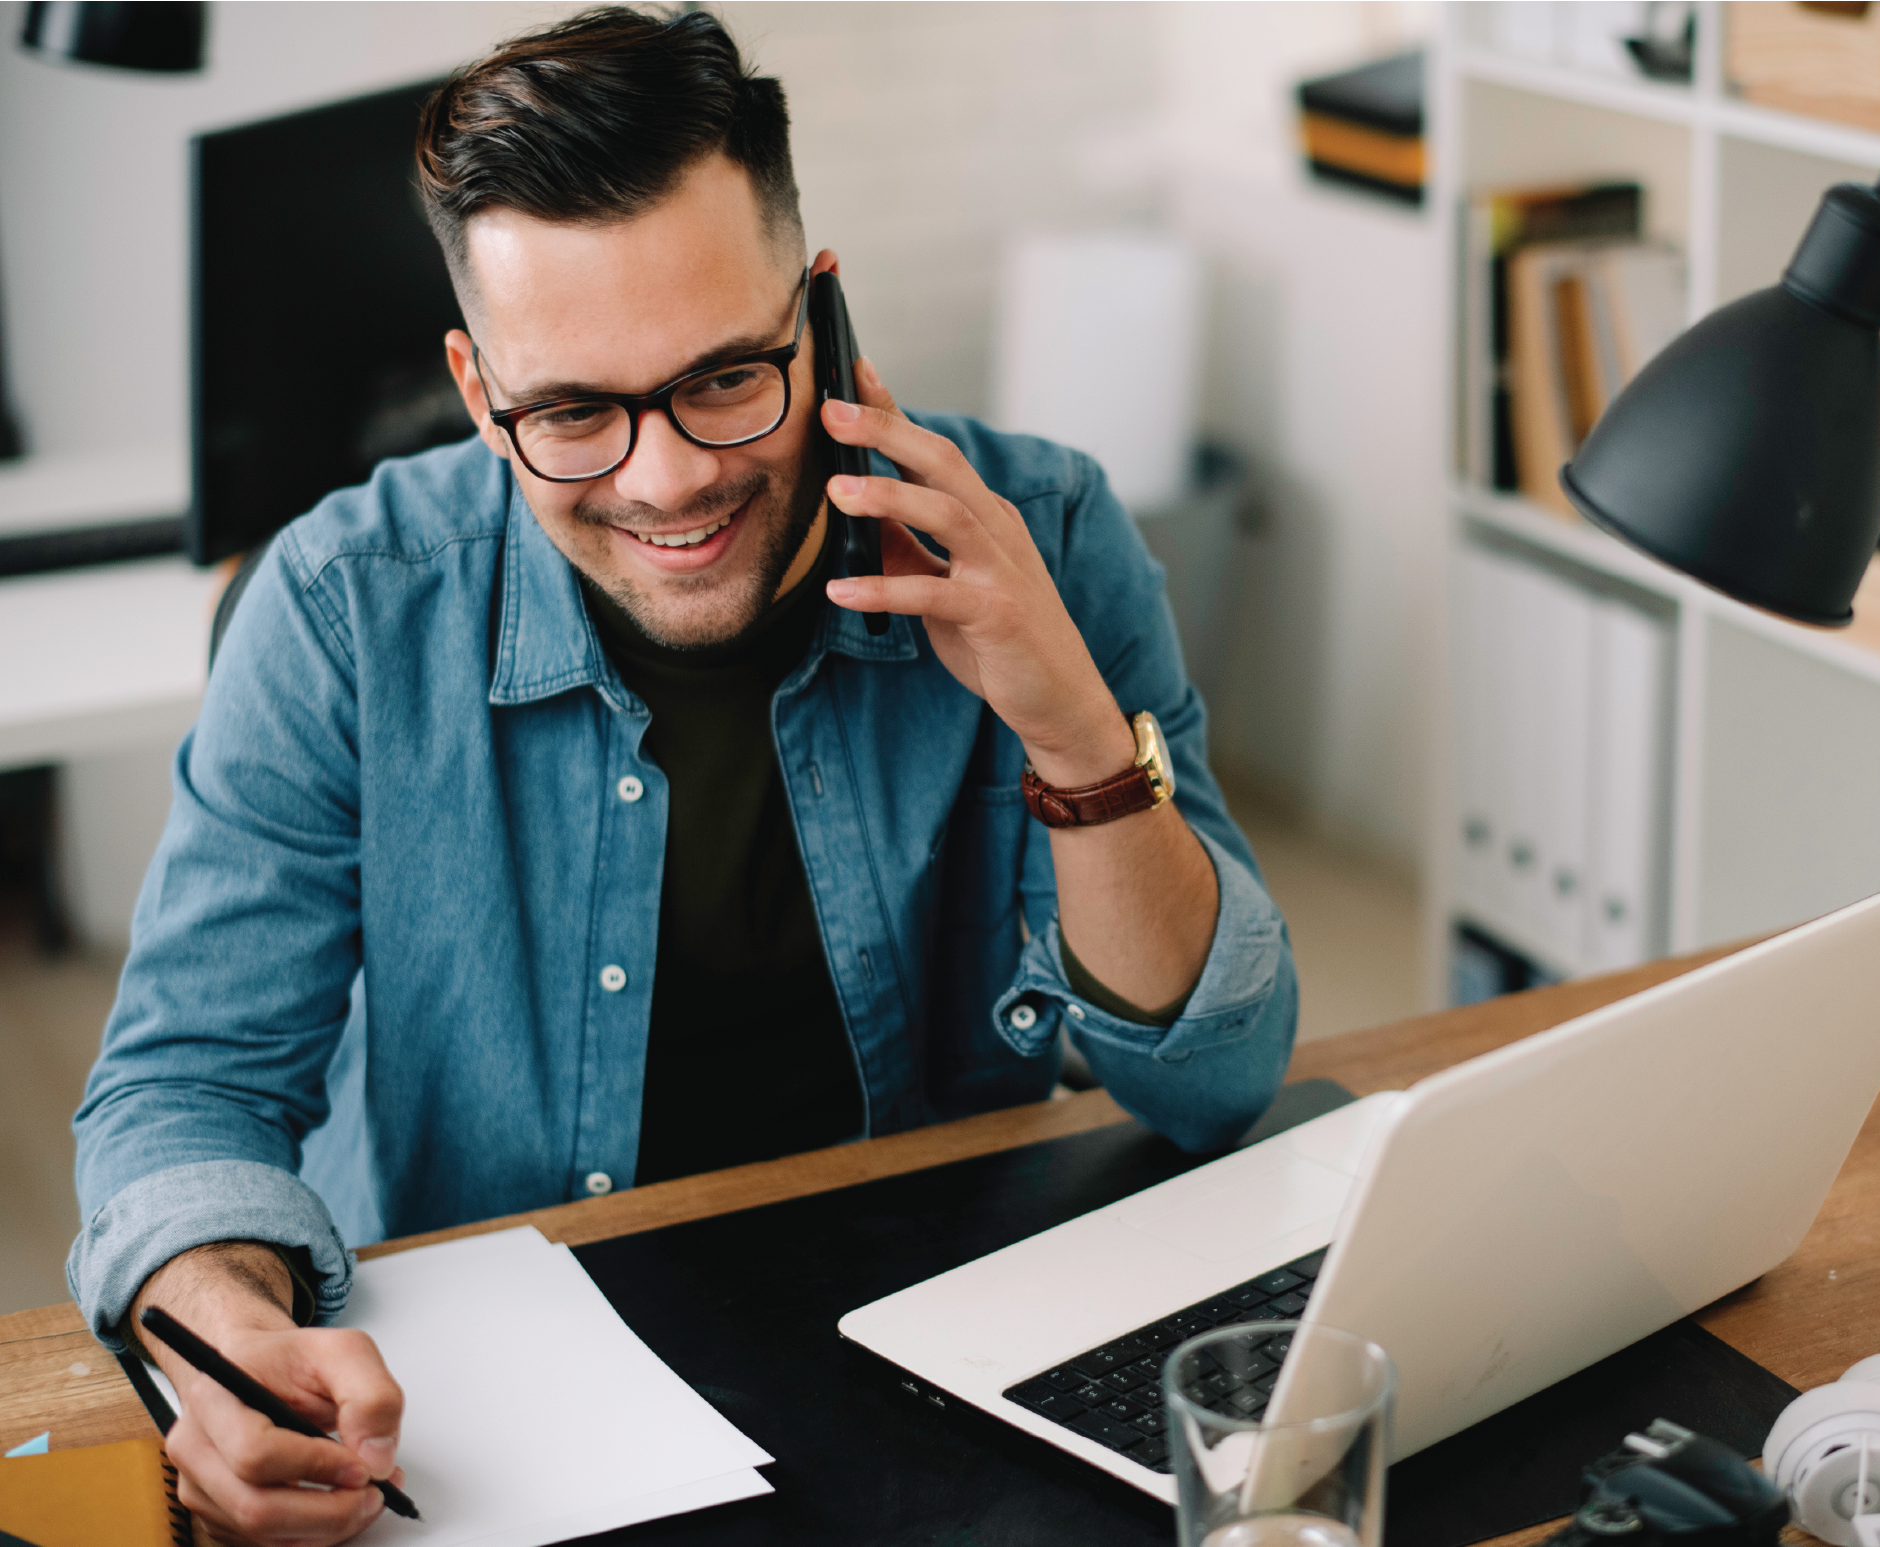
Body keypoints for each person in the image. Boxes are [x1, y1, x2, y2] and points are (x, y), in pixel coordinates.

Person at [69, 9, 1298, 1544]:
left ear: (822, 314)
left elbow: (1216, 1082)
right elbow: (187, 1088)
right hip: (502, 1430)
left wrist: (1068, 730)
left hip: (929, 1370)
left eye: (727, 378)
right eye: (573, 410)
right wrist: (224, 1341)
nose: (669, 480)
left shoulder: (1040, 533)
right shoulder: (340, 608)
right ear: (475, 387)